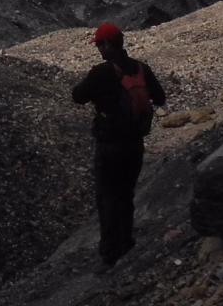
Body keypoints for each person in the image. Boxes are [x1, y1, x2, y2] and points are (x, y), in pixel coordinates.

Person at [71, 22, 166, 269]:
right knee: (126, 194)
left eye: (98, 45)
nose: (98, 49)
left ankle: (109, 255)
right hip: (135, 145)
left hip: (110, 145)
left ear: (106, 45)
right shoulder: (140, 68)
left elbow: (78, 96)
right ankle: (126, 243)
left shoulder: (100, 72)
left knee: (107, 198)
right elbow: (160, 98)